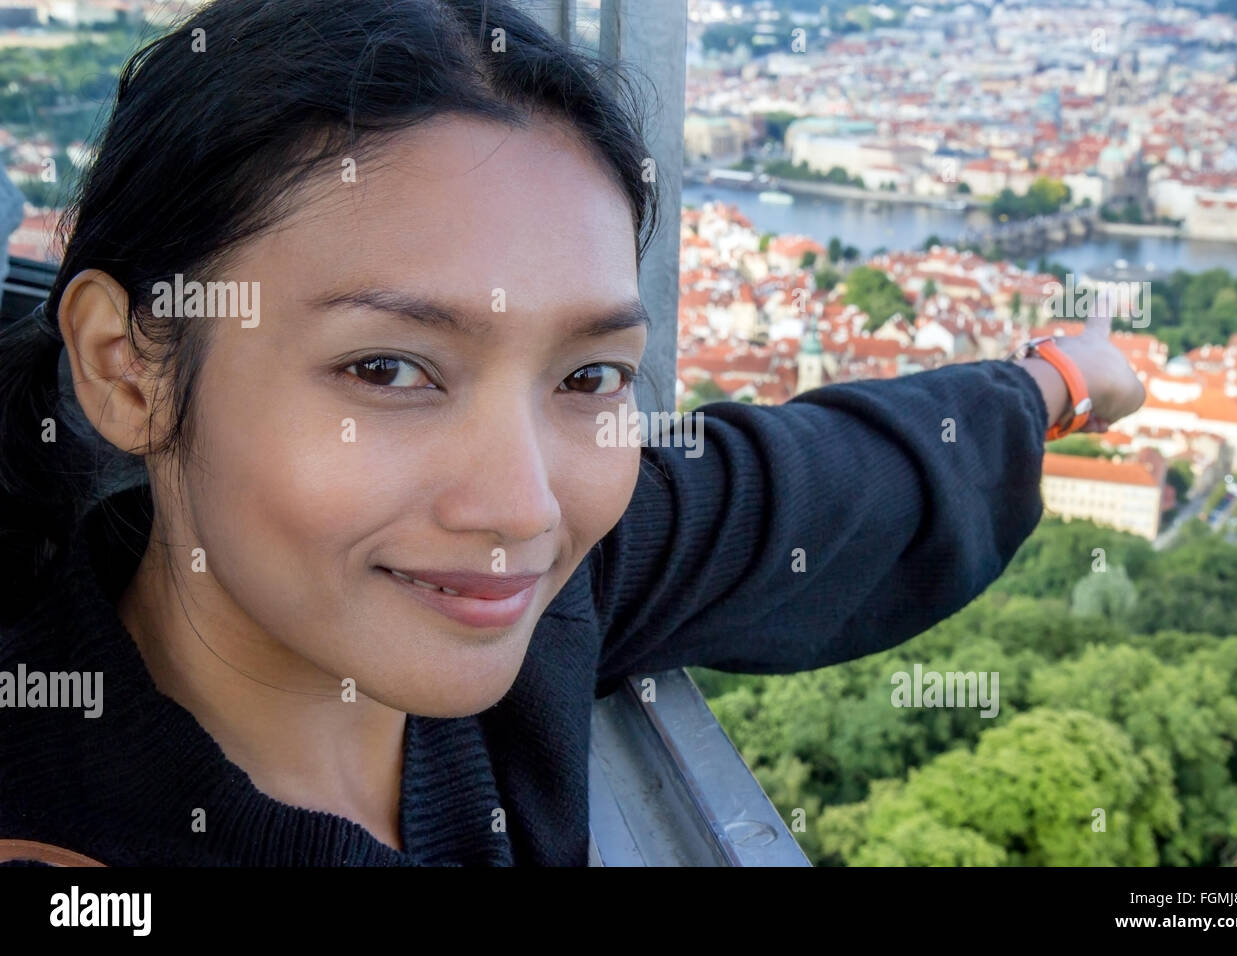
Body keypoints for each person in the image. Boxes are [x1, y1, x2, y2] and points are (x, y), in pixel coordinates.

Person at [0, 0, 1144, 866]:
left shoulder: (547, 585)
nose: (524, 506)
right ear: (127, 367)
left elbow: (822, 487)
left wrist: (1054, 381)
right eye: (389, 368)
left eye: (589, 374)